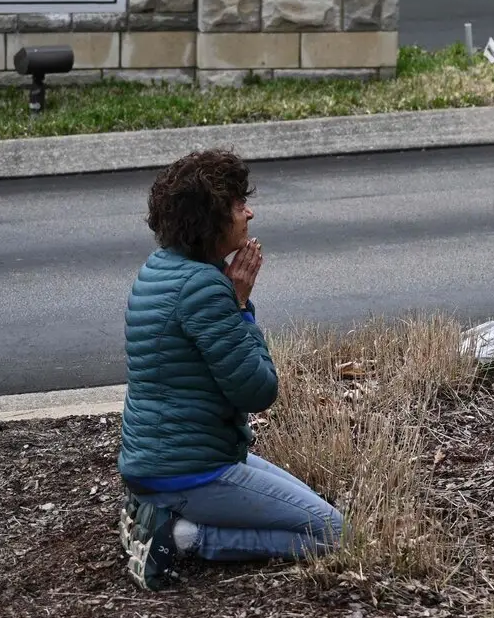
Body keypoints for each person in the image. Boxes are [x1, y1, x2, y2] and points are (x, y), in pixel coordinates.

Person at [117, 149, 343, 589]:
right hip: (188, 471)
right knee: (335, 534)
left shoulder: (161, 267)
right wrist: (239, 304)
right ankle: (181, 536)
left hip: (163, 460)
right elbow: (257, 390)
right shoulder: (204, 287)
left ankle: (152, 509)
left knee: (320, 510)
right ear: (210, 221)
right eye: (238, 205)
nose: (250, 212)